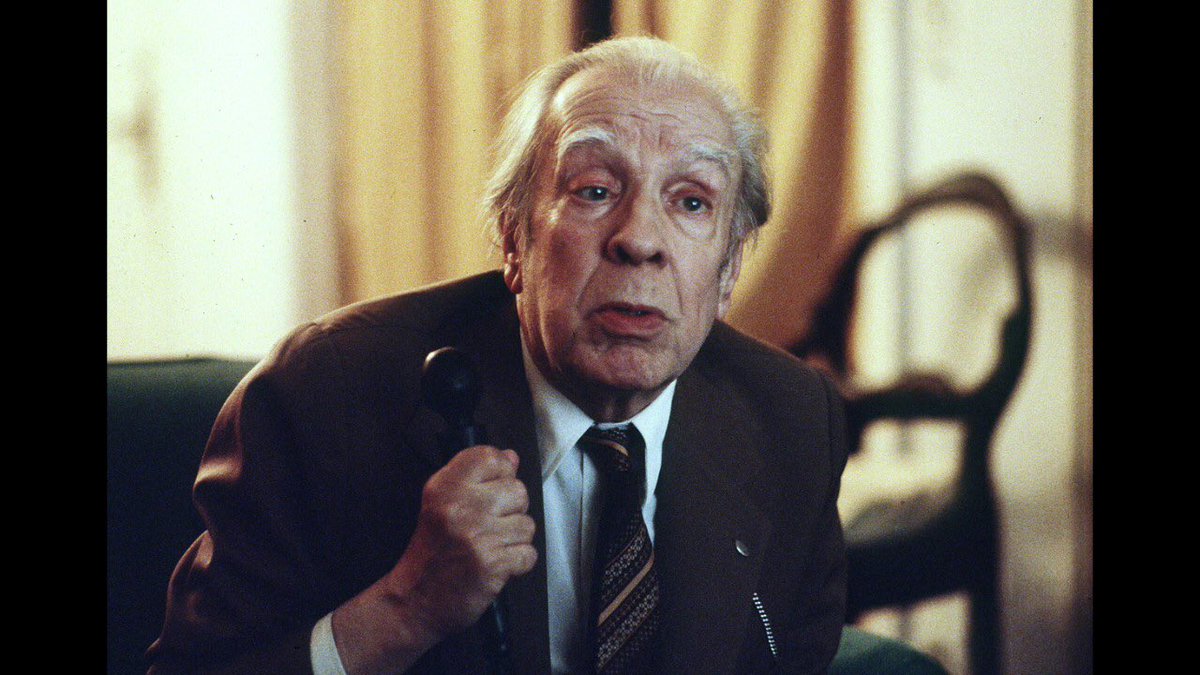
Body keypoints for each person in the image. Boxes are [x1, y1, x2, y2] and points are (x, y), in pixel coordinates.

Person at [148, 35, 849, 674]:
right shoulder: (323, 393)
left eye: (692, 203)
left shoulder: (793, 419)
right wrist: (404, 608)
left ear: (730, 268)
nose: (640, 239)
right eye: (595, 191)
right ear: (514, 238)